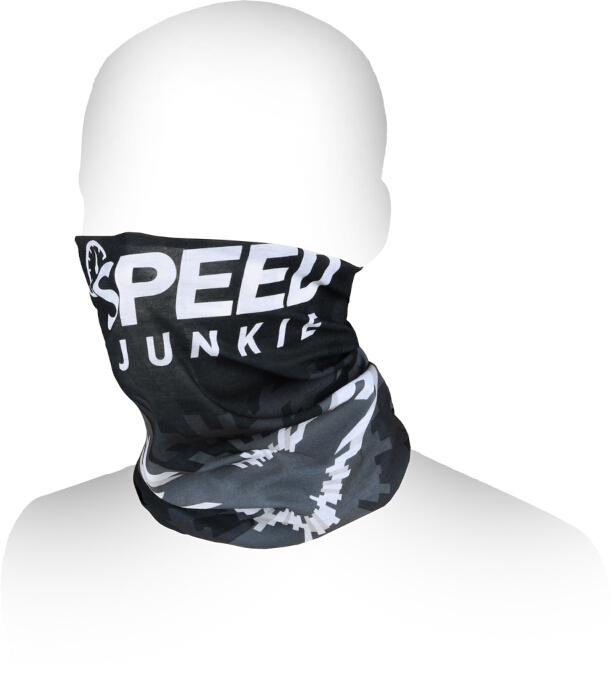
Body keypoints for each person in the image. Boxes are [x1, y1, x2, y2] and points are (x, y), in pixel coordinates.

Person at [3, 3, 609, 675]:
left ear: (369, 222)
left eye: (238, 191)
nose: (160, 255)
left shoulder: (536, 580)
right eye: (121, 189)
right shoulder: (42, 554)